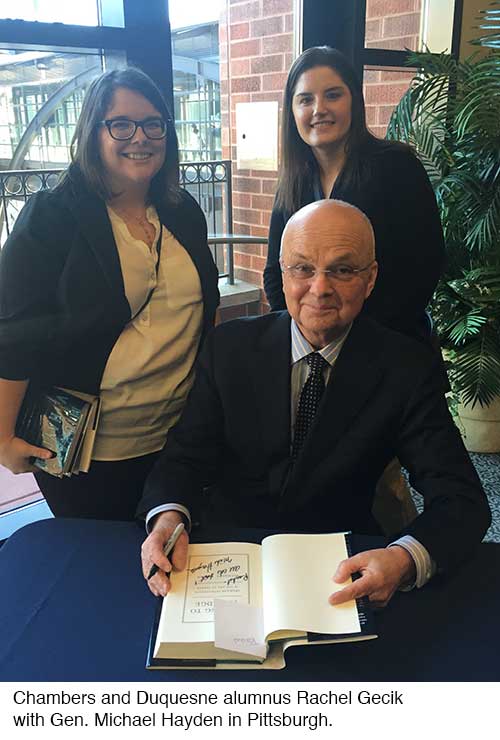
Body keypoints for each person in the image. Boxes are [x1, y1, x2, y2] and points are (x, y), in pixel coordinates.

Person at [138, 200, 490, 607]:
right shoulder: (229, 348)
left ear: (371, 278)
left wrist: (403, 559)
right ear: (283, 273)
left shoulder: (404, 368)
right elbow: (183, 458)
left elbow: (462, 500)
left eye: (342, 270)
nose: (320, 288)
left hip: (341, 565)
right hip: (226, 558)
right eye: (303, 268)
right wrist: (167, 518)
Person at [0, 68, 219, 520]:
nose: (140, 137)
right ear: (92, 133)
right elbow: (14, 332)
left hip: (176, 437)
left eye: (154, 124)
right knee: (100, 553)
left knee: (172, 549)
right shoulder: (52, 217)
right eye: (121, 124)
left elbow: (203, 308)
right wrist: (2, 437)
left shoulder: (182, 211)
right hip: (85, 448)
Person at [264, 46, 445, 342]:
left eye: (333, 95)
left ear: (354, 102)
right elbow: (276, 272)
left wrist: (350, 344)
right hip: (313, 348)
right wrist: (303, 339)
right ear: (292, 111)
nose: (319, 109)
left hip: (388, 344)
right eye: (305, 99)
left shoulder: (397, 166)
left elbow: (423, 267)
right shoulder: (293, 181)